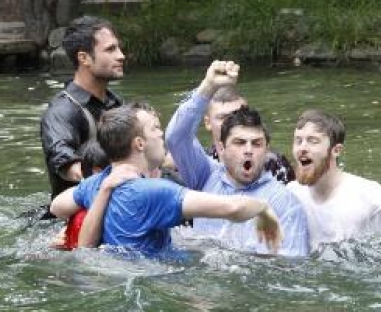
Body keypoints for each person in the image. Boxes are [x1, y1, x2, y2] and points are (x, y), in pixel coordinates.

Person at [50, 103, 283, 256]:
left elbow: (57, 206)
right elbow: (232, 208)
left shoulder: (98, 183)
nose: (161, 134)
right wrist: (263, 208)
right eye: (155, 129)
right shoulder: (156, 192)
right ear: (139, 143)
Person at [165, 60, 309, 256]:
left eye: (257, 143)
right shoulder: (206, 175)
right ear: (222, 148)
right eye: (240, 143)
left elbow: (292, 267)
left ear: (266, 148)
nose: (249, 150)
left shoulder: (285, 203)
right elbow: (176, 137)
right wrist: (208, 87)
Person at [289, 109, 381, 251]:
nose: (302, 148)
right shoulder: (290, 194)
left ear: (336, 150)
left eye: (312, 141)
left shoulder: (368, 194)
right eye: (298, 141)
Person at [40, 16, 125, 203]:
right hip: (70, 217)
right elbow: (66, 164)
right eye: (110, 49)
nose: (121, 55)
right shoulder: (61, 112)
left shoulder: (117, 103)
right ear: (84, 58)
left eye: (118, 48)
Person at [201, 85, 295, 184]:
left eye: (238, 115)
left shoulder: (274, 164)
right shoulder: (201, 164)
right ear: (208, 123)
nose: (232, 123)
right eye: (223, 117)